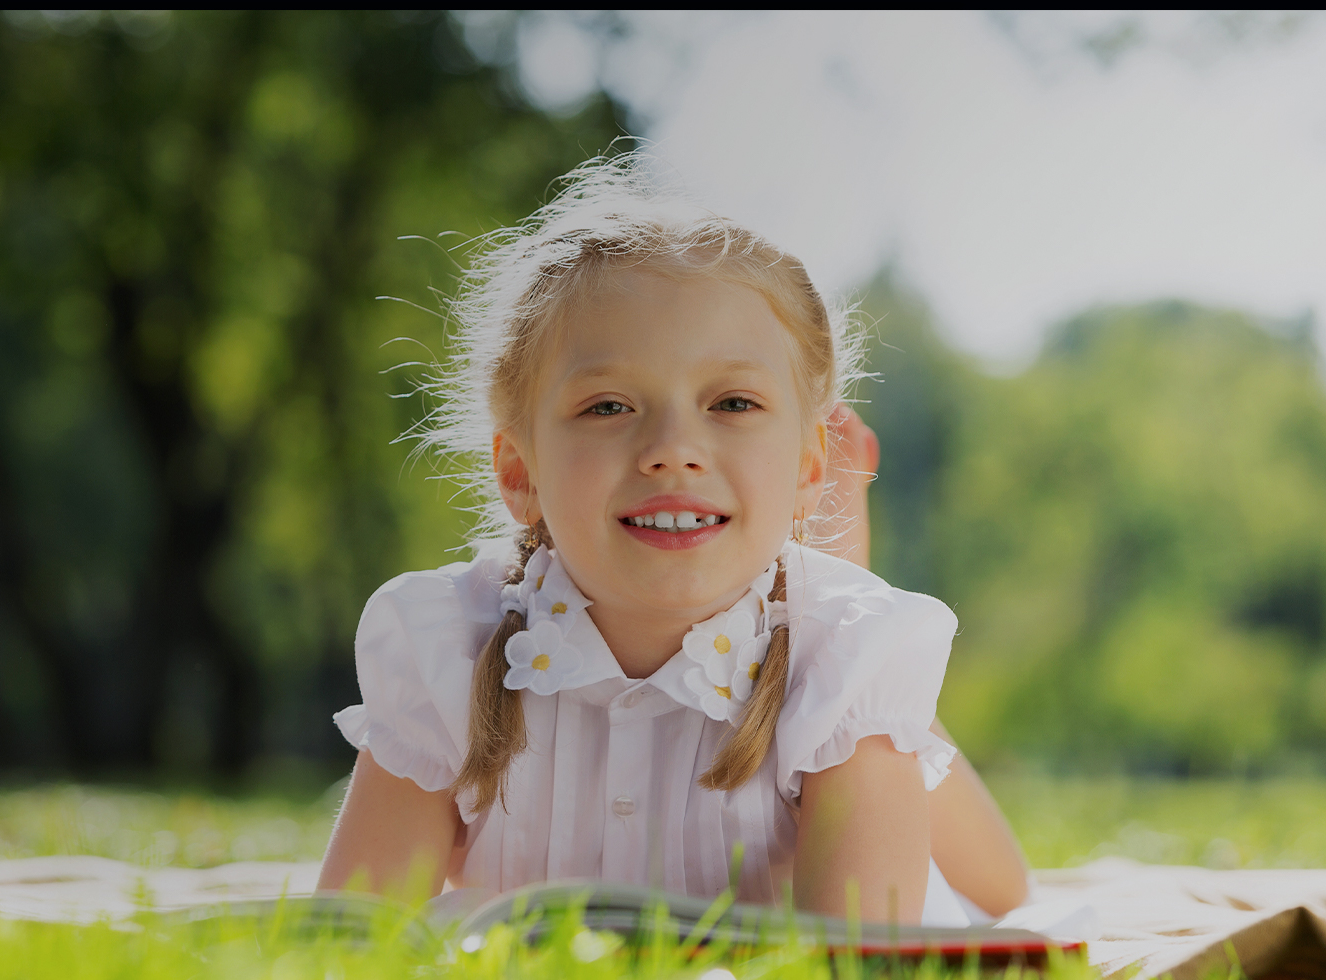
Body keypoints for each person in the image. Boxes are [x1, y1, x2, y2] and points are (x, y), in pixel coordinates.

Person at [316, 155, 1029, 926]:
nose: (672, 448)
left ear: (808, 465)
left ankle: (847, 612)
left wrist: (858, 673)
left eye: (732, 401)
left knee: (945, 813)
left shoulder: (843, 666)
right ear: (520, 473)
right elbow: (353, 941)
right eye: (609, 406)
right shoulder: (447, 647)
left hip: (833, 680)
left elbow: (866, 956)